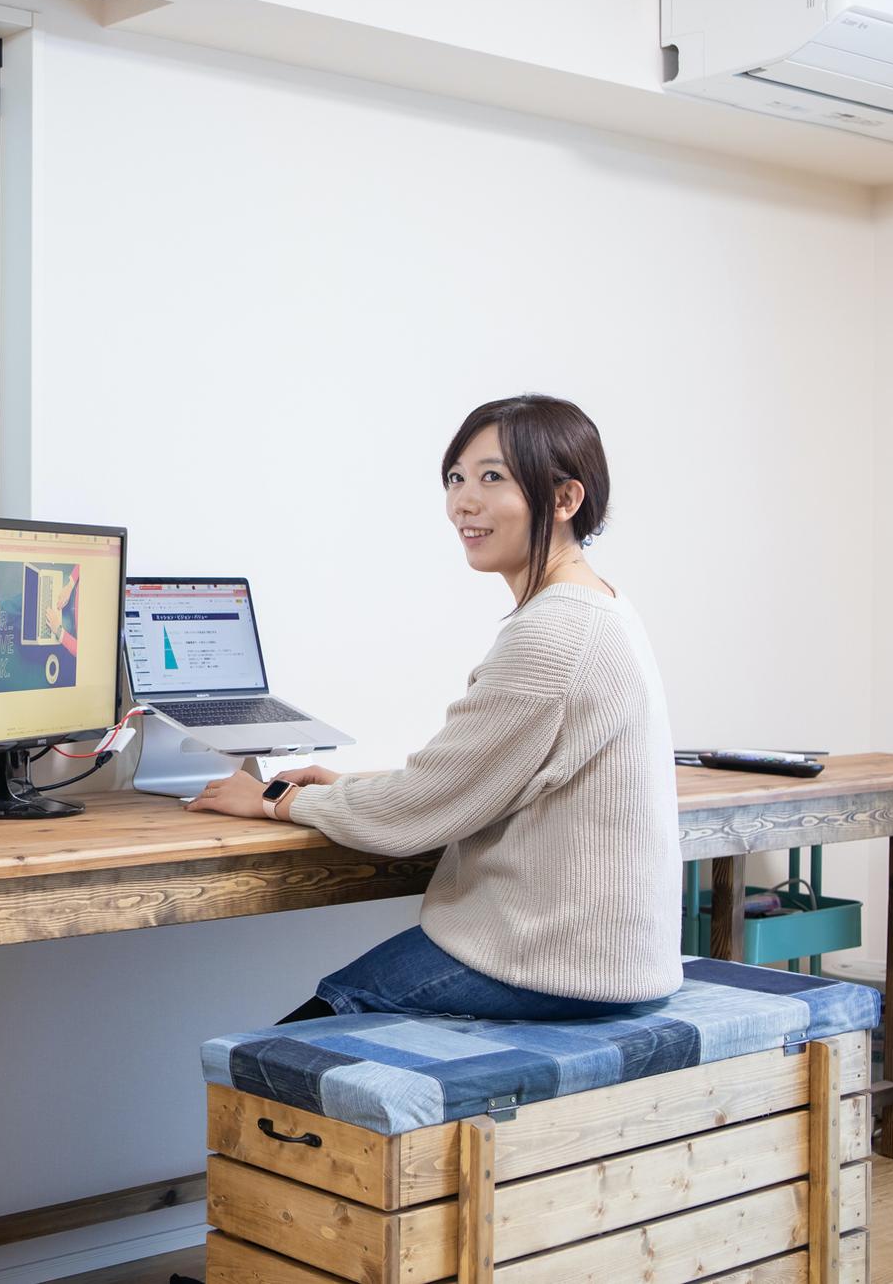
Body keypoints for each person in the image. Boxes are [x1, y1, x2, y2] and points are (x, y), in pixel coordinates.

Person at [188, 394, 682, 1020]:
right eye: (456, 478)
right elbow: (464, 785)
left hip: (552, 965)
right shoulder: (602, 604)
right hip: (611, 960)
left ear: (564, 500)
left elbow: (421, 808)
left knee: (279, 1047)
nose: (463, 503)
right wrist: (348, 790)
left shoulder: (553, 631)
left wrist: (273, 798)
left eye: (492, 477)